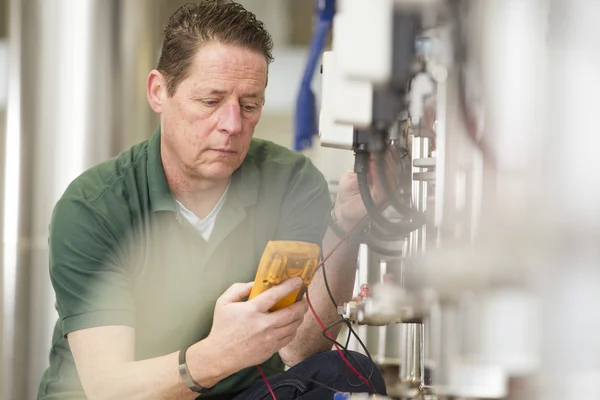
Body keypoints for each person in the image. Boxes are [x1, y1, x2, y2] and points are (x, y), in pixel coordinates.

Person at [37, 1, 392, 399]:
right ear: (158, 91)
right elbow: (110, 389)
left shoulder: (290, 182)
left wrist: (344, 224)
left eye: (250, 105)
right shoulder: (95, 206)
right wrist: (216, 355)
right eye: (210, 102)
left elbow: (299, 349)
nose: (232, 124)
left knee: (348, 373)